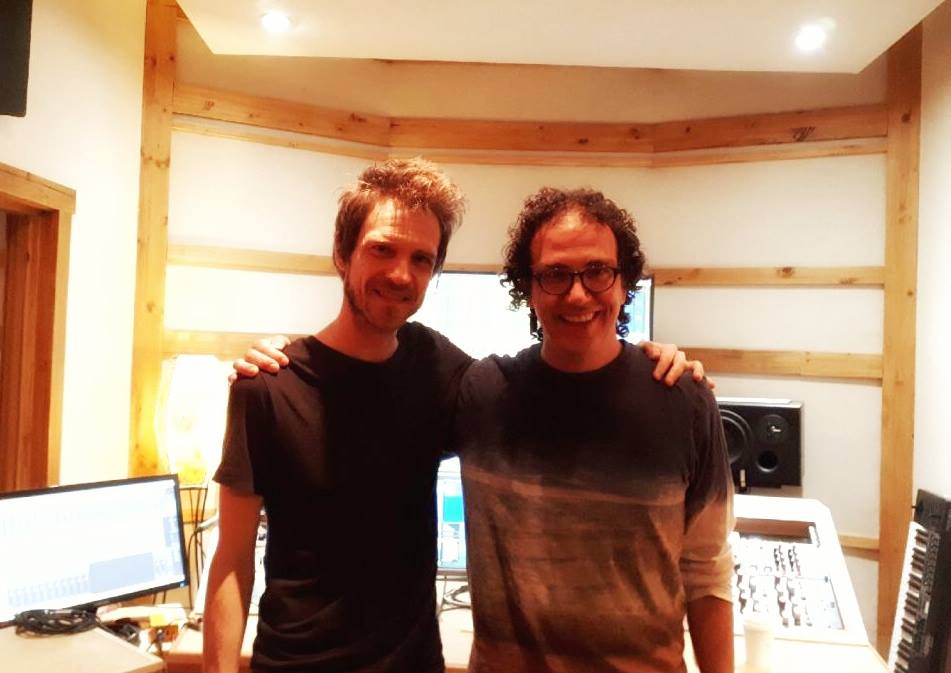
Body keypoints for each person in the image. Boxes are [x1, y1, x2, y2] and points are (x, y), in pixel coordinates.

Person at [204, 158, 704, 673]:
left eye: (421, 259)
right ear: (341, 253)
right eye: (382, 249)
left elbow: (553, 392)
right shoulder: (267, 387)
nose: (401, 274)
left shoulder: (440, 369)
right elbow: (232, 560)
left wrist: (652, 365)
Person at [453, 188, 734, 673]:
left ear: (624, 283)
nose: (578, 294)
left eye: (598, 271)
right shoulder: (482, 393)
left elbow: (707, 571)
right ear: (529, 288)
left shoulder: (684, 401)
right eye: (555, 274)